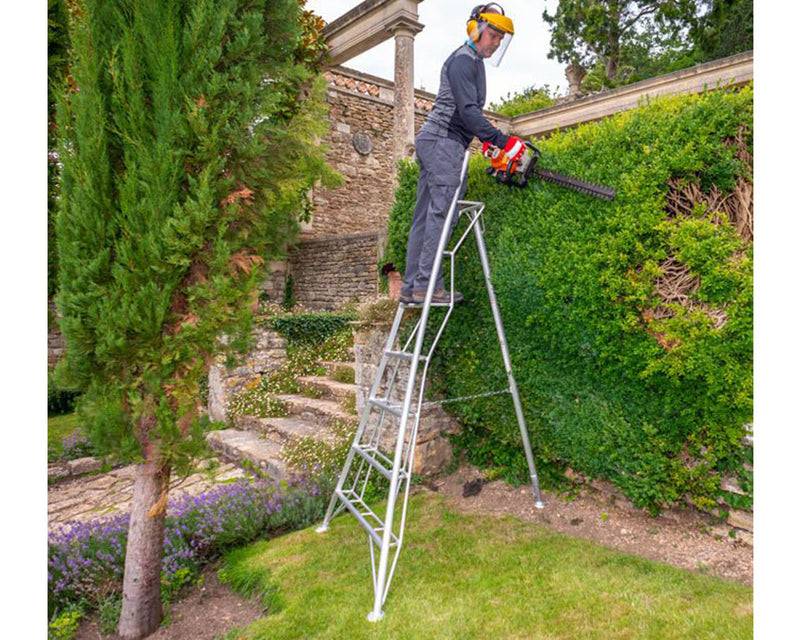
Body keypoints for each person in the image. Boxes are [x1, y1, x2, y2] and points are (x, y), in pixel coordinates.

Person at [400, 3, 526, 305]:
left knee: (425, 216)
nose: (496, 44)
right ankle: (427, 286)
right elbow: (468, 112)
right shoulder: (463, 61)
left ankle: (411, 287)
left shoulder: (471, 62)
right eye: (494, 36)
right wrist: (501, 141)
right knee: (442, 215)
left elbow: (464, 113)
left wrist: (485, 141)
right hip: (443, 143)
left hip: (438, 140)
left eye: (500, 39)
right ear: (477, 29)